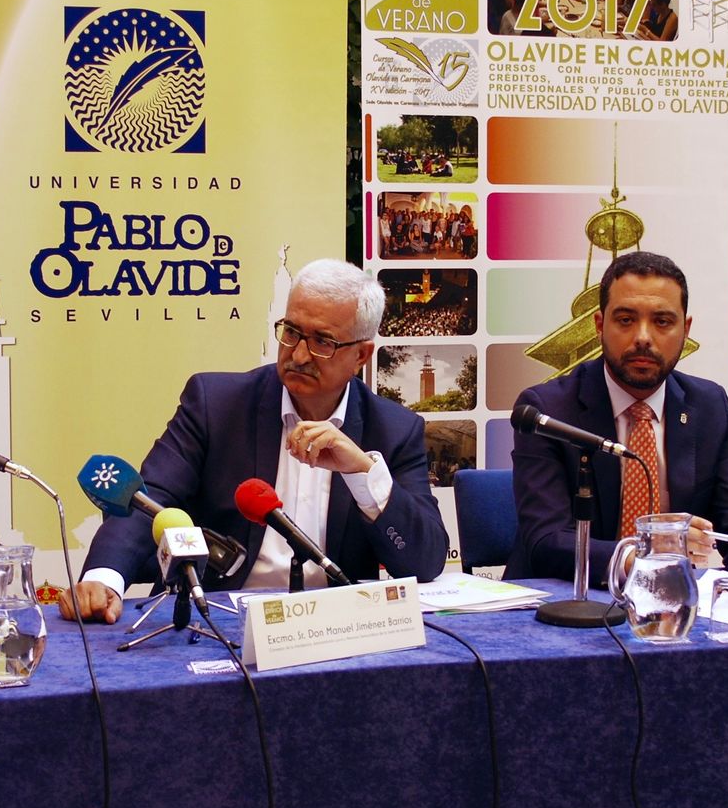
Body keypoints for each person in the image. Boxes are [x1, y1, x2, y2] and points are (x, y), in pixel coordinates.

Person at [60, 258, 449, 623]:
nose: (298, 354)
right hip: (221, 620)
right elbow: (150, 499)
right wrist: (104, 578)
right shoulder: (216, 404)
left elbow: (424, 562)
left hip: (336, 632)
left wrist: (364, 473)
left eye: (322, 342)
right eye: (292, 331)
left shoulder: (394, 430)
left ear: (361, 355)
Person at [506, 251, 728, 586]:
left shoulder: (708, 405)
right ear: (600, 325)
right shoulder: (548, 409)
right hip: (565, 605)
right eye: (626, 320)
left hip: (674, 606)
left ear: (685, 329)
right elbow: (546, 540)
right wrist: (646, 554)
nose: (643, 337)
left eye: (662, 322)